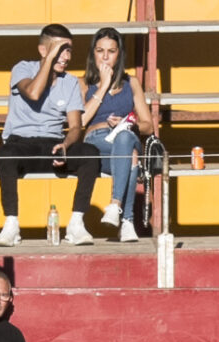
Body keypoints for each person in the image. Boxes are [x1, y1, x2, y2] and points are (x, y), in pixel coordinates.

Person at [0, 22, 101, 247]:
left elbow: (75, 126)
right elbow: (33, 93)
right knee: (6, 154)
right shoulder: (22, 68)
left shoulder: (70, 82)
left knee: (90, 153)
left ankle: (76, 223)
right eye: (60, 49)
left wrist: (65, 144)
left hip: (54, 145)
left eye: (69, 49)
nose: (66, 56)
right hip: (22, 143)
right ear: (43, 50)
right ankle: (11, 224)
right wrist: (49, 60)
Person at [76, 28, 156, 244]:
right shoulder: (84, 83)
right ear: (93, 53)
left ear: (119, 54)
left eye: (111, 51)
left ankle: (115, 205)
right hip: (97, 142)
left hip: (125, 135)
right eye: (100, 51)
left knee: (125, 139)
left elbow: (148, 125)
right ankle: (127, 220)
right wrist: (102, 86)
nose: (105, 56)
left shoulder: (131, 83)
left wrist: (128, 124)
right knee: (131, 156)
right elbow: (81, 122)